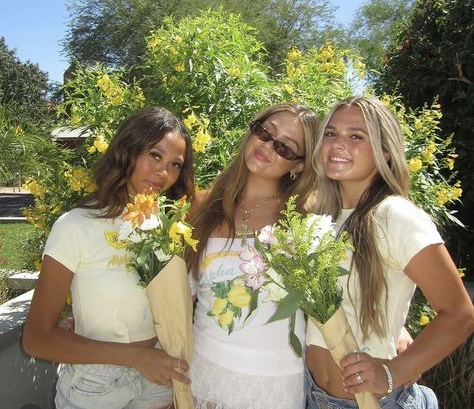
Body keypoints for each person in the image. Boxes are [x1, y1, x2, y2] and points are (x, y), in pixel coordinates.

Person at [305, 96, 474, 409]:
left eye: (356, 136)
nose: (338, 144)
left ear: (385, 151)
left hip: (369, 402)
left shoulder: (396, 216)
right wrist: (396, 326)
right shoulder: (324, 216)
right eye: (331, 133)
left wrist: (394, 371)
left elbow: (460, 314)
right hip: (310, 393)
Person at [23, 107, 195, 409]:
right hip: (97, 386)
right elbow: (36, 338)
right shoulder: (75, 225)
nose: (163, 173)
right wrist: (136, 357)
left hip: (159, 379)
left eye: (175, 164)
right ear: (127, 150)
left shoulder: (165, 228)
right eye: (154, 155)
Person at [186, 102, 320, 409]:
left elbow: (339, 290)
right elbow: (178, 295)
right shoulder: (202, 206)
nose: (268, 146)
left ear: (299, 165)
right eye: (265, 132)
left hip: (275, 385)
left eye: (285, 147)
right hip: (204, 375)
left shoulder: (304, 218)